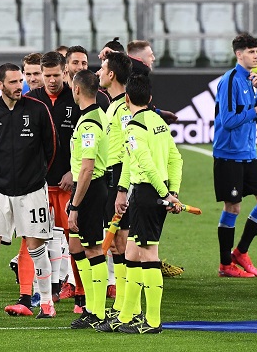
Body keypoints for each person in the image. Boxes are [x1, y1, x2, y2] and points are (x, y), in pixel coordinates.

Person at [0, 63, 57, 321]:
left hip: (32, 191)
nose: (20, 86)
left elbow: (51, 147)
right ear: (0, 85)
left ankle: (47, 304)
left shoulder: (38, 110)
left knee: (36, 246)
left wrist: (36, 175)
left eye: (21, 81)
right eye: (14, 82)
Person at [98, 73, 183, 334]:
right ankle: (127, 316)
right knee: (133, 253)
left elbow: (143, 162)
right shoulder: (158, 122)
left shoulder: (134, 127)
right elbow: (175, 159)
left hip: (147, 194)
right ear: (150, 98)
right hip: (148, 193)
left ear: (126, 99)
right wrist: (171, 191)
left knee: (148, 254)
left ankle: (153, 322)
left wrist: (164, 194)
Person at [5, 51, 82, 316]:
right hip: (37, 186)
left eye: (55, 75)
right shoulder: (30, 101)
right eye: (45, 75)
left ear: (64, 72)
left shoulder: (77, 98)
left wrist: (74, 171)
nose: (50, 80)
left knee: (75, 239)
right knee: (30, 241)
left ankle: (81, 298)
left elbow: (86, 140)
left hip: (68, 186)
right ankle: (25, 299)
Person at [213, 33, 257, 278]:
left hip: (249, 153)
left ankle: (240, 252)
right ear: (239, 54)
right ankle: (224, 265)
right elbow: (228, 121)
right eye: (251, 52)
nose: (255, 56)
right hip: (229, 154)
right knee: (233, 207)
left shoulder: (251, 80)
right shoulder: (230, 80)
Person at [68, 70, 109, 329]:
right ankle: (91, 308)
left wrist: (75, 204)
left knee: (93, 249)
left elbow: (87, 167)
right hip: (88, 187)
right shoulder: (95, 116)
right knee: (79, 246)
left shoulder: (89, 124)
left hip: (91, 188)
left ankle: (98, 312)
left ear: (77, 90)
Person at [96, 51, 133, 315]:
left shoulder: (123, 108)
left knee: (123, 240)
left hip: (122, 177)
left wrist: (123, 188)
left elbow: (131, 148)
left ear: (112, 75)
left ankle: (127, 305)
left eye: (102, 68)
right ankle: (122, 303)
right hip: (113, 176)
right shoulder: (114, 104)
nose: (98, 72)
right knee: (119, 241)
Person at [65, 45, 110, 111]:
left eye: (84, 63)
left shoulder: (101, 98)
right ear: (66, 67)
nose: (80, 67)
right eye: (75, 63)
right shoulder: (59, 95)